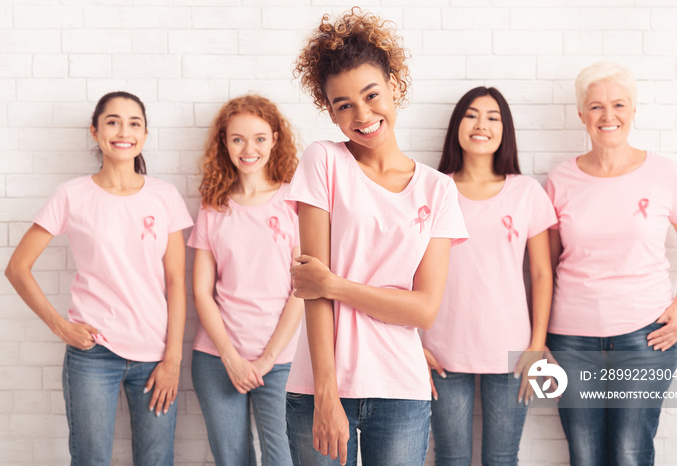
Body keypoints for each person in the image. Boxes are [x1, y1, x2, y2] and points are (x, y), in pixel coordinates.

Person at [284, 7, 469, 466]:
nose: (362, 114)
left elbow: (424, 309)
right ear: (329, 111)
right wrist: (327, 395)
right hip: (318, 389)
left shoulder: (437, 189)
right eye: (343, 105)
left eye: (371, 95)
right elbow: (312, 292)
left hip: (401, 390)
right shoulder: (323, 162)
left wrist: (335, 284)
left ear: (394, 87)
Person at [4, 91, 192, 465]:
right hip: (93, 356)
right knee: (90, 460)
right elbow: (17, 267)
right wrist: (61, 327)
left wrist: (173, 359)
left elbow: (176, 283)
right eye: (112, 121)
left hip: (155, 357)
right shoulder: (71, 195)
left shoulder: (165, 196)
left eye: (134, 123)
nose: (124, 131)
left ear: (145, 133)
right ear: (95, 131)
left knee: (157, 461)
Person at [545, 61, 677, 465]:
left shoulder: (663, 173)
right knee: (585, 457)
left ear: (633, 110)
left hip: (645, 341)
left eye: (618, 105)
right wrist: (539, 335)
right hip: (571, 344)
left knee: (631, 455)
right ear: (581, 114)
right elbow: (547, 264)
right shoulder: (560, 180)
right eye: (596, 106)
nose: (607, 116)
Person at [422, 86, 556, 465]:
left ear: (505, 130)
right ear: (457, 127)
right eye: (471, 115)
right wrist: (415, 342)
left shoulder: (527, 191)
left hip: (513, 350)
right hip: (442, 348)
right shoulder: (434, 189)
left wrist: (536, 345)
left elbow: (543, 274)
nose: (481, 124)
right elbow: (410, 270)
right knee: (450, 457)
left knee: (501, 457)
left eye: (493, 117)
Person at [188, 94, 303, 466]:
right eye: (237, 138)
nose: (248, 148)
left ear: (274, 138)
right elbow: (201, 292)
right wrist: (231, 358)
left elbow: (303, 290)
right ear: (224, 142)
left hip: (282, 359)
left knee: (283, 459)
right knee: (232, 460)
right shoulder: (213, 204)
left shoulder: (295, 203)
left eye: (258, 138)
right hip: (217, 358)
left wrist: (268, 359)